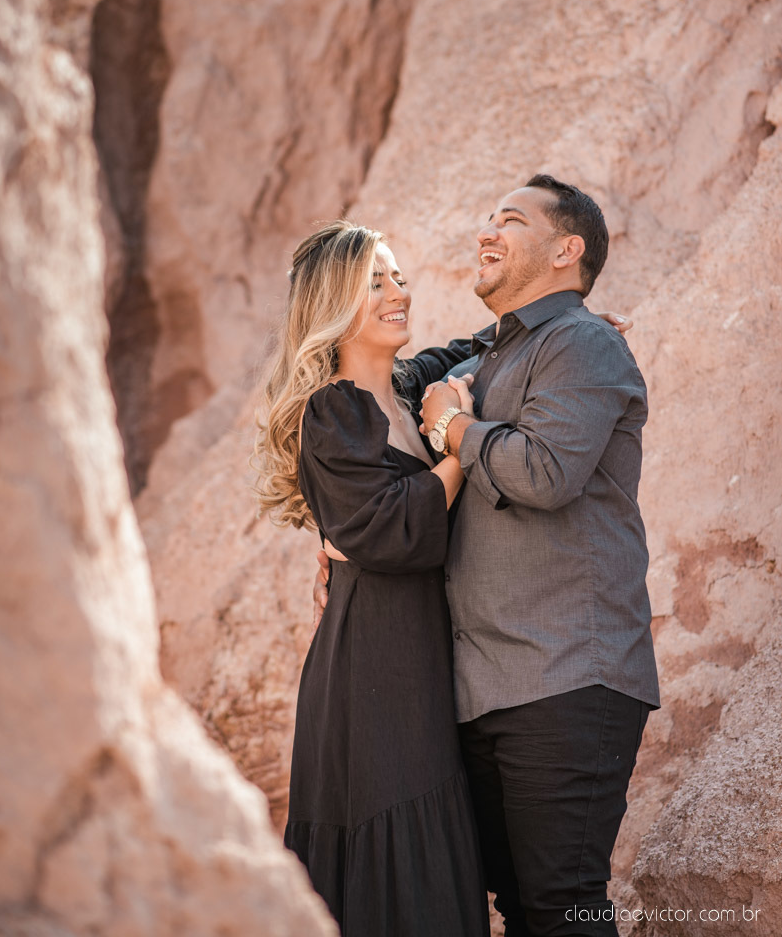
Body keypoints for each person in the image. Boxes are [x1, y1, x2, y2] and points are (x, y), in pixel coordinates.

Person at [415, 174, 661, 937]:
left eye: (510, 220)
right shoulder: (488, 359)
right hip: (488, 687)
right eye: (486, 217)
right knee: (522, 909)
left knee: (563, 904)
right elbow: (380, 384)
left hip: (567, 675)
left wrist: (453, 430)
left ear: (566, 249)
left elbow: (545, 474)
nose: (485, 231)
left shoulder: (582, 342)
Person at [254, 220, 491, 937]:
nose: (397, 292)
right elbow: (393, 532)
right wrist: (457, 444)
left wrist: (559, 327)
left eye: (396, 277)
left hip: (416, 652)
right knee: (396, 857)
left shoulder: (406, 386)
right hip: (370, 670)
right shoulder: (333, 412)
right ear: (333, 303)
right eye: (374, 282)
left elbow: (478, 346)